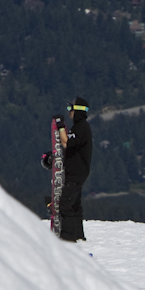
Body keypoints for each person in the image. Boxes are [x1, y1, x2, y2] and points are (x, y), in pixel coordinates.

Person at [58, 98, 93, 242]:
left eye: (70, 109)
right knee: (75, 205)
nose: (69, 112)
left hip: (76, 173)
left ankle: (68, 238)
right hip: (79, 172)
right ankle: (79, 235)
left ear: (77, 110)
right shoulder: (81, 127)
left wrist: (60, 127)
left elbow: (67, 143)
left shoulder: (80, 127)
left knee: (65, 203)